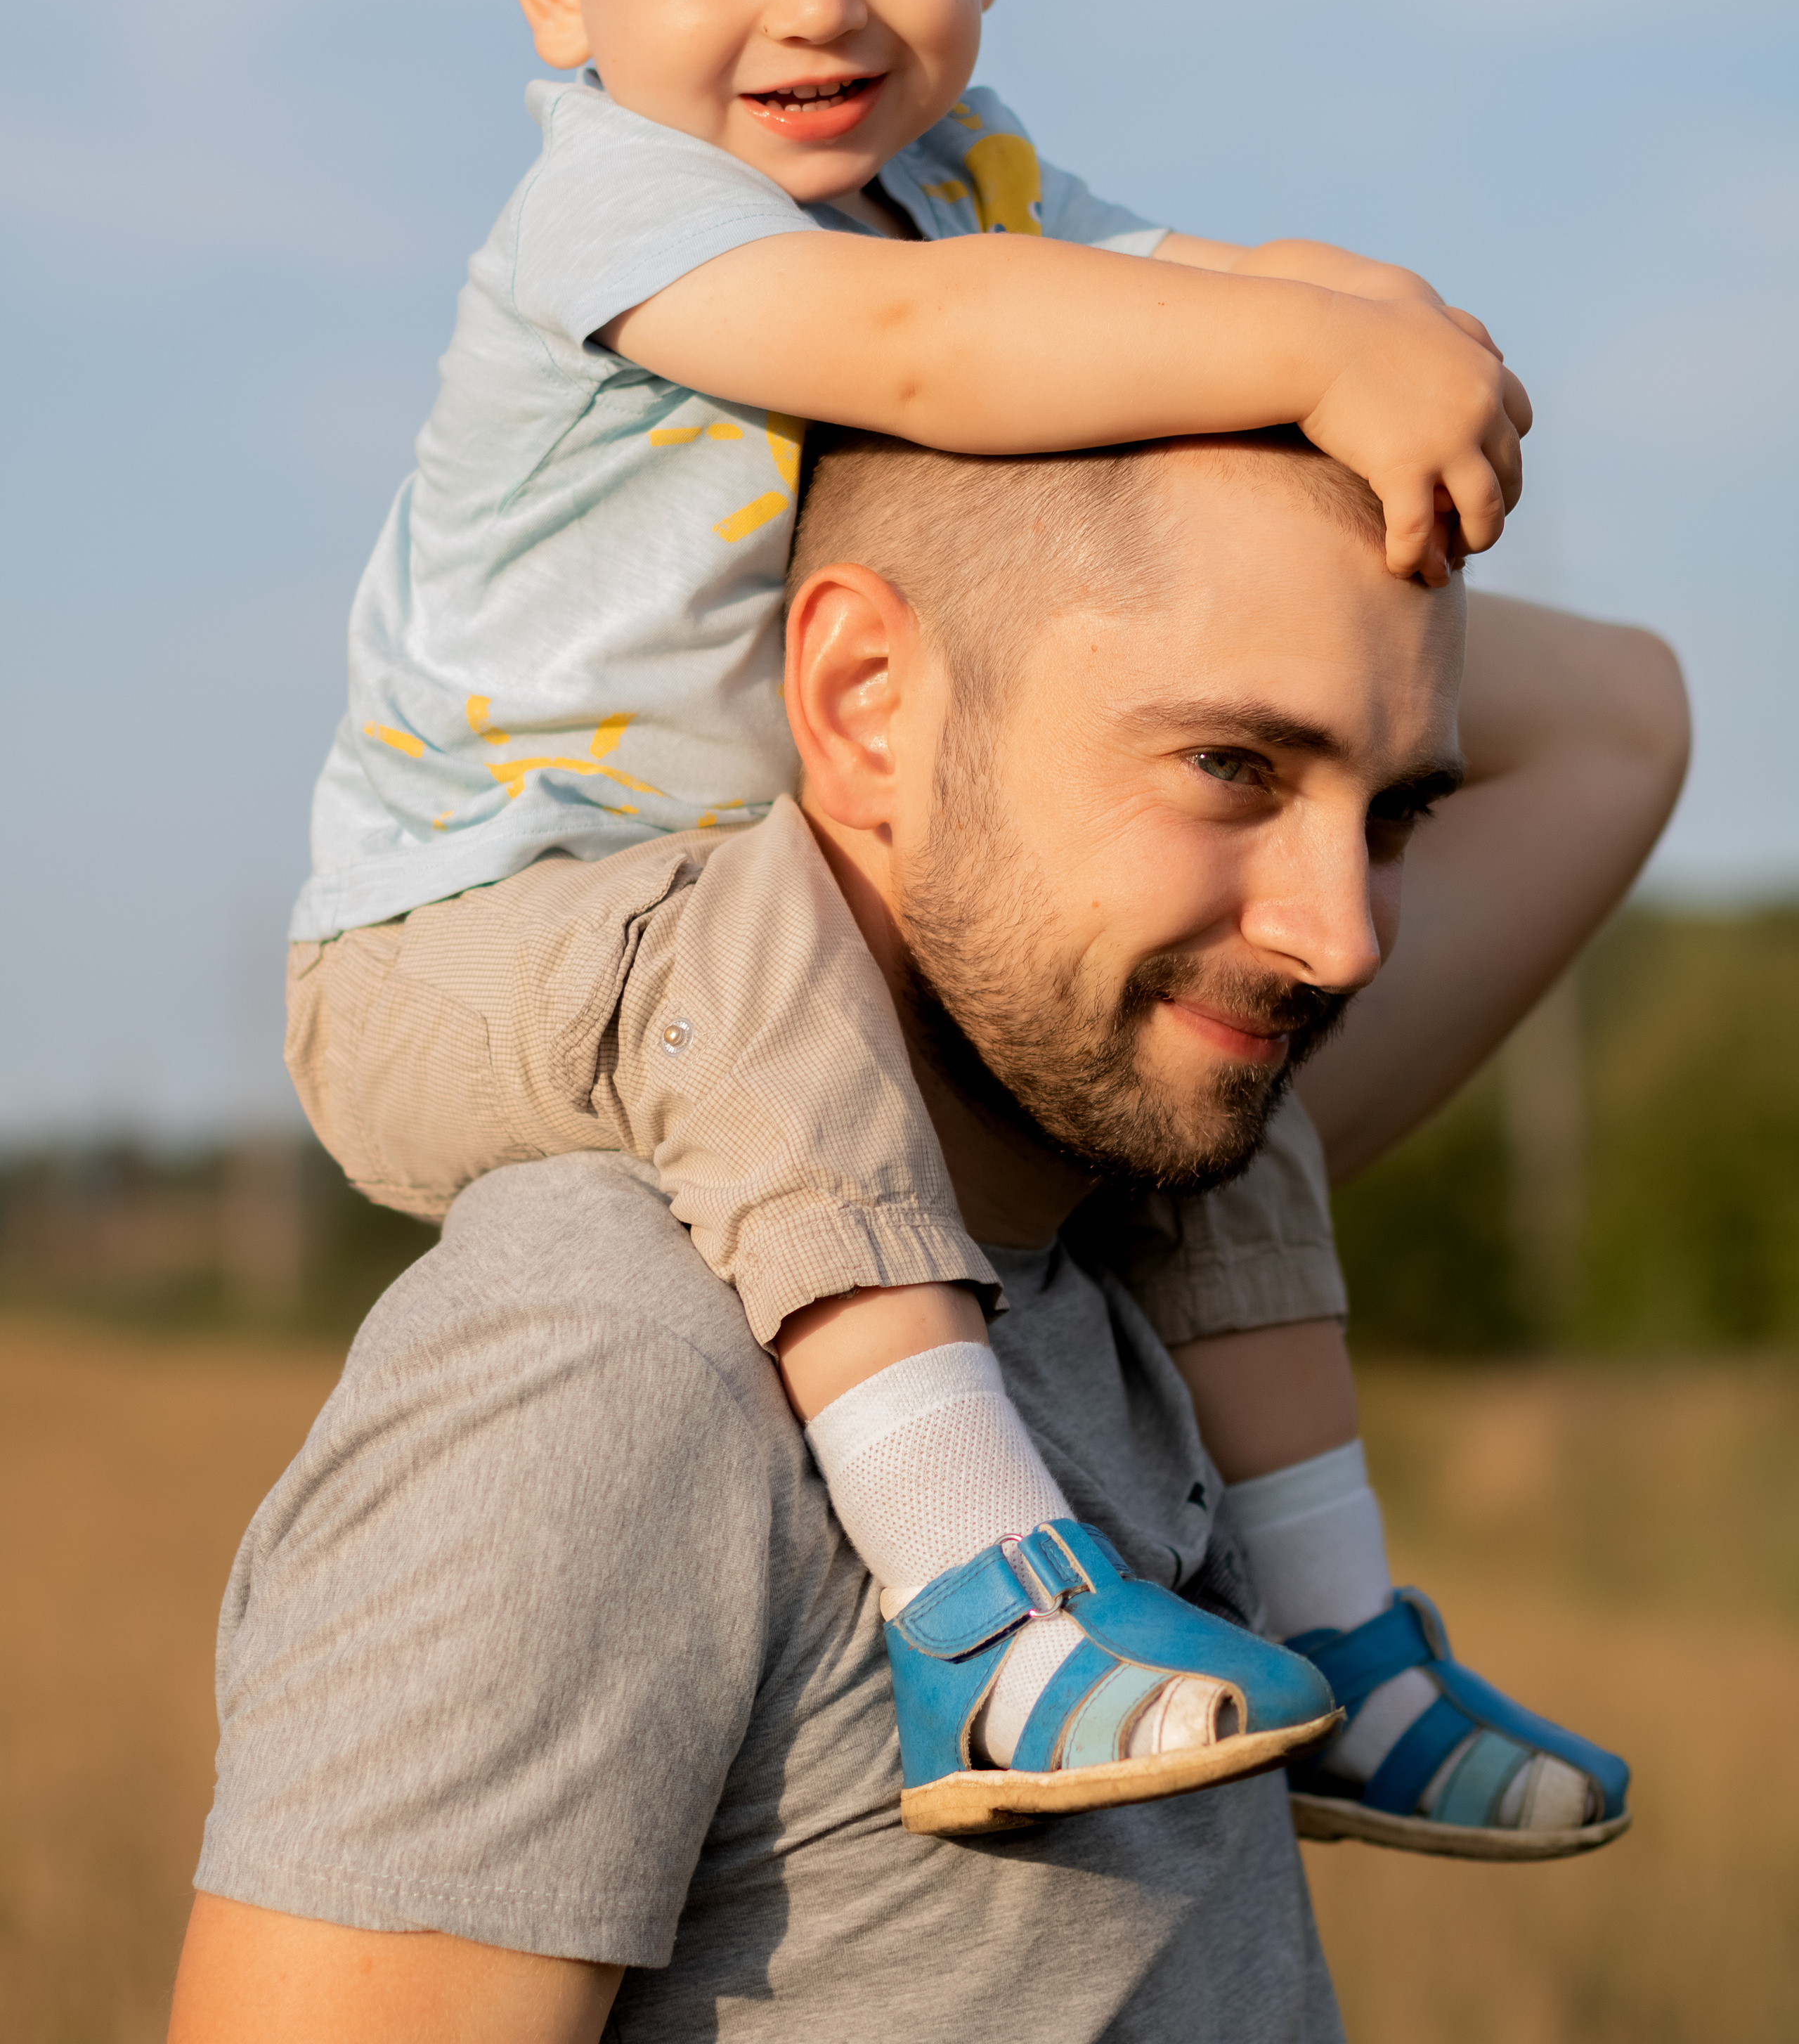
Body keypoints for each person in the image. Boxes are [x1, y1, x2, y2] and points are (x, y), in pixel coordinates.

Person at [286, 0, 1557, 1820]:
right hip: (460, 942)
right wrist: (1299, 341)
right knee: (760, 922)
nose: (813, 7)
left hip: (725, 925)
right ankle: (984, 1596)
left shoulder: (966, 176)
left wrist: (1370, 313)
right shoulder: (618, 210)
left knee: (1214, 996)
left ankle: (1336, 1619)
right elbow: (950, 353)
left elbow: (1158, 288)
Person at [177, 432, 1685, 2040]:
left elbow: (1618, 719)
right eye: (1232, 767)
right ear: (862, 700)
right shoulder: (609, 1354)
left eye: (1389, 812)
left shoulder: (1138, 1203)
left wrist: (1206, 419)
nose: (1341, 935)